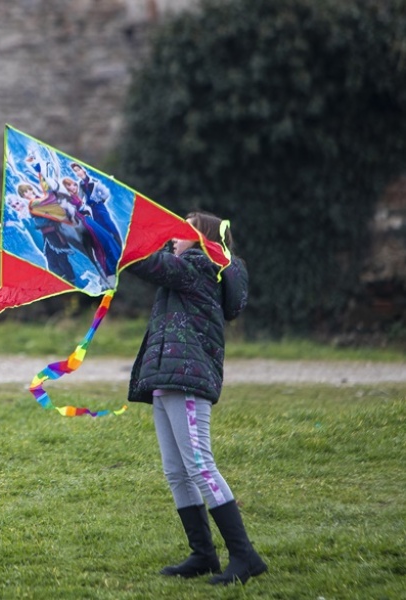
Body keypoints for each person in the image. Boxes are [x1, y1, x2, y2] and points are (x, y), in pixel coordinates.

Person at [127, 211, 266, 586]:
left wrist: (113, 232)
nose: (173, 234)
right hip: (166, 381)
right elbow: (157, 266)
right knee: (177, 471)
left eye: (182, 228)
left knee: (200, 466)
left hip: (186, 382)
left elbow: (150, 264)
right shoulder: (187, 267)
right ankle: (203, 554)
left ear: (204, 239)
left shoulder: (200, 267)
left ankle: (245, 556)